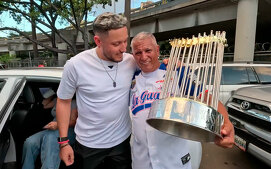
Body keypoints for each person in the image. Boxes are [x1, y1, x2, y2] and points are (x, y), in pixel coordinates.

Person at [130, 32, 235, 169]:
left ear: (157, 50)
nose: (144, 57)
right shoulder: (131, 78)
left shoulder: (176, 71)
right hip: (141, 162)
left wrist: (226, 123)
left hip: (173, 160)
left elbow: (206, 96)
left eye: (148, 50)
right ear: (133, 56)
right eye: (138, 53)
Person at [56, 12, 137, 169]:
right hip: (88, 145)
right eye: (116, 44)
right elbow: (63, 101)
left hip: (122, 143)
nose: (123, 48)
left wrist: (171, 64)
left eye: (125, 41)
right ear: (98, 41)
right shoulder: (76, 65)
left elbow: (153, 68)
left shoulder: (130, 61)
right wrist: (64, 142)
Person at [22, 88, 77, 169]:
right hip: (52, 129)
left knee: (50, 138)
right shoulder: (56, 100)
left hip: (67, 130)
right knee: (30, 142)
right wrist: (49, 95)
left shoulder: (73, 102)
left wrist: (58, 125)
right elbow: (44, 106)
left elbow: (73, 122)